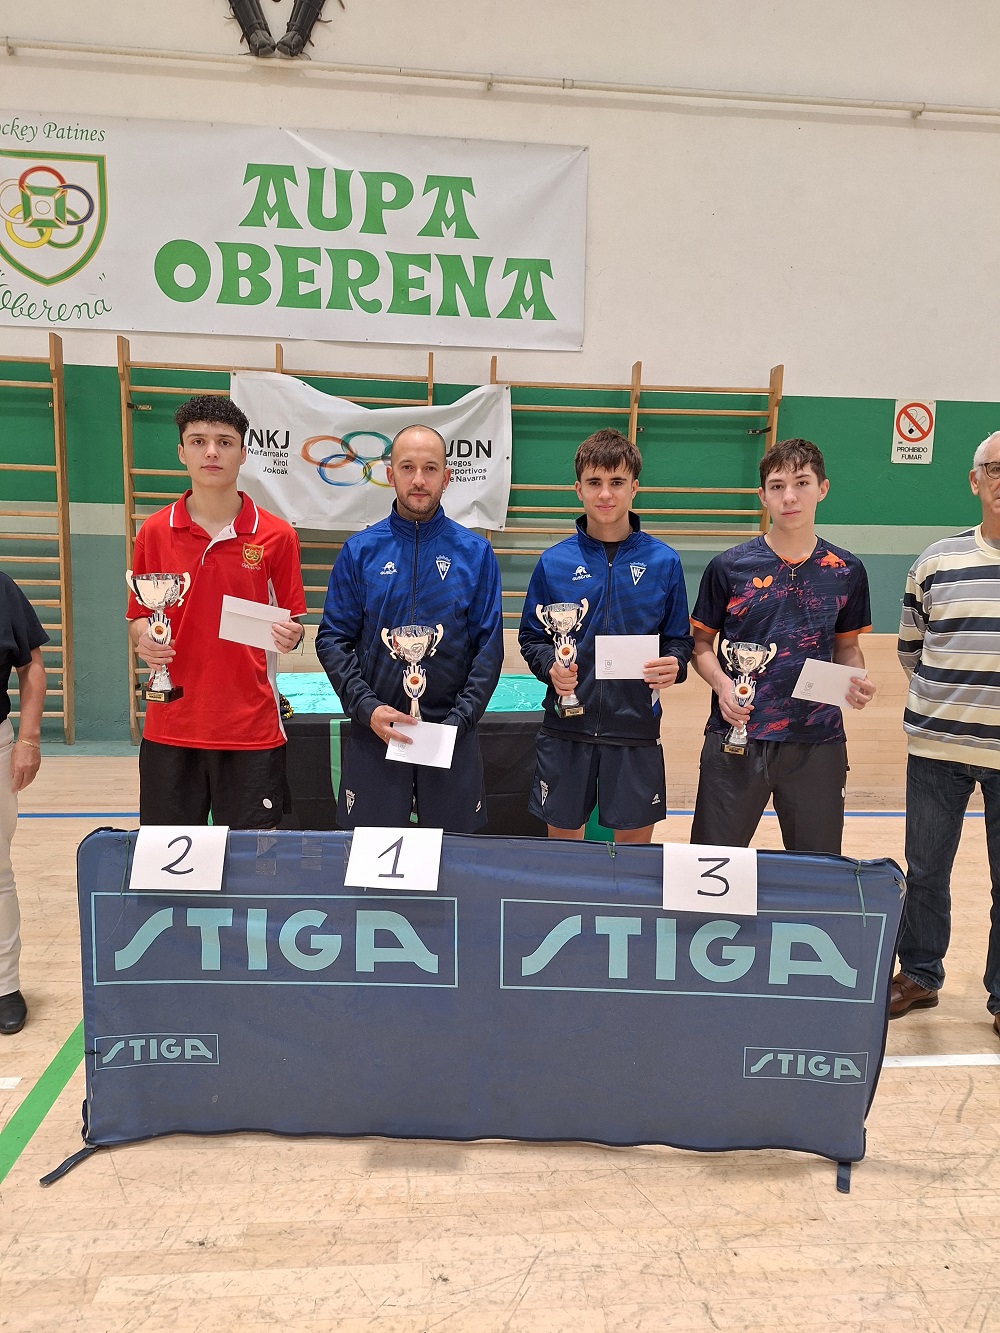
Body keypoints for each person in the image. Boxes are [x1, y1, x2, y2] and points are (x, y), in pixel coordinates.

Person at [689, 437, 875, 853]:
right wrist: (722, 686)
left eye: (802, 483)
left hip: (817, 742)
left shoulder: (847, 570)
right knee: (711, 865)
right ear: (763, 496)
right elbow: (701, 644)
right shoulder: (728, 566)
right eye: (777, 486)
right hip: (736, 737)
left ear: (822, 489)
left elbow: (846, 646)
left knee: (817, 872)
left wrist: (854, 680)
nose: (789, 496)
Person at [126, 396, 306, 827]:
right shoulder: (154, 530)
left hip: (250, 729)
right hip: (170, 725)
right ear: (181, 452)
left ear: (243, 453)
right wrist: (143, 642)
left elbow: (292, 622)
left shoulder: (277, 536)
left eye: (224, 442)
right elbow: (138, 617)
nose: (211, 452)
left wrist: (292, 636)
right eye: (199, 440)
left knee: (251, 869)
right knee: (168, 866)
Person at [316, 424, 502, 832]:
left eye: (430, 468)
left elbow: (488, 650)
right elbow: (332, 640)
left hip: (451, 740)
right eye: (408, 467)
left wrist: (458, 723)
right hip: (375, 737)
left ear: (447, 476)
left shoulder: (476, 554)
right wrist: (369, 710)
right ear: (390, 474)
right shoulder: (359, 552)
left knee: (455, 867)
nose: (419, 480)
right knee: (371, 868)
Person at [518, 428, 693, 842]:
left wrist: (675, 665)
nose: (605, 494)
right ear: (578, 488)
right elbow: (532, 637)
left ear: (634, 487)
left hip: (635, 730)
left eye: (616, 483)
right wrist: (550, 669)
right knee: (564, 854)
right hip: (566, 729)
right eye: (595, 483)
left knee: (632, 858)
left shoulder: (664, 562)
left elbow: (680, 640)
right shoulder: (553, 562)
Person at [891, 430, 1000, 1035]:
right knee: (926, 869)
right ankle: (921, 974)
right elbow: (914, 651)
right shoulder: (936, 562)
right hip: (938, 747)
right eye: (995, 468)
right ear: (974, 480)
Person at [0, 574, 47, 1035]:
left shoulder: (1, 588)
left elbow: (31, 668)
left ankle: (4, 985)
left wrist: (29, 740)